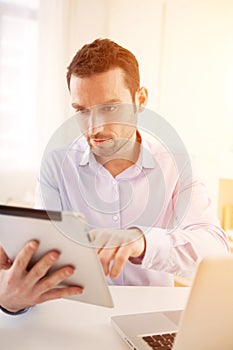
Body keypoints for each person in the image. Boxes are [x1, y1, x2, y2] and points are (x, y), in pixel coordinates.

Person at [0, 38, 229, 315]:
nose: (95, 128)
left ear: (140, 100)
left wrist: (142, 242)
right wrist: (11, 296)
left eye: (110, 108)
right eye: (82, 111)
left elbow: (216, 252)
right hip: (77, 318)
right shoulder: (56, 164)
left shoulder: (176, 164)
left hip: (152, 317)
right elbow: (45, 254)